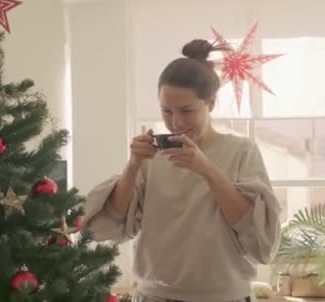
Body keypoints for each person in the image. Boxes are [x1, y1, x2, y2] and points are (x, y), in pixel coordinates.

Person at [83, 39, 281, 302]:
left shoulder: (241, 152)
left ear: (211, 103)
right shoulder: (152, 156)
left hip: (224, 296)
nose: (175, 122)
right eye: (166, 111)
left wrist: (206, 169)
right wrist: (132, 167)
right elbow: (114, 223)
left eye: (187, 111)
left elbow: (256, 236)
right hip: (154, 295)